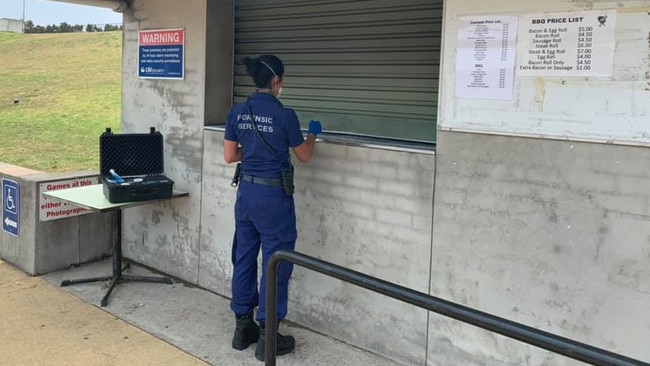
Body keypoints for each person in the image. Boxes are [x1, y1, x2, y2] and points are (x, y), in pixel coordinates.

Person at [223, 54, 322, 361]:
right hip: (274, 199)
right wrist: (313, 134)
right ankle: (267, 337)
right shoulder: (285, 115)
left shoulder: (238, 112)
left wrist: (252, 148)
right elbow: (304, 155)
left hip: (247, 195)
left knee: (244, 256)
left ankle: (242, 329)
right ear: (276, 81)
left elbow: (230, 156)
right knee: (276, 262)